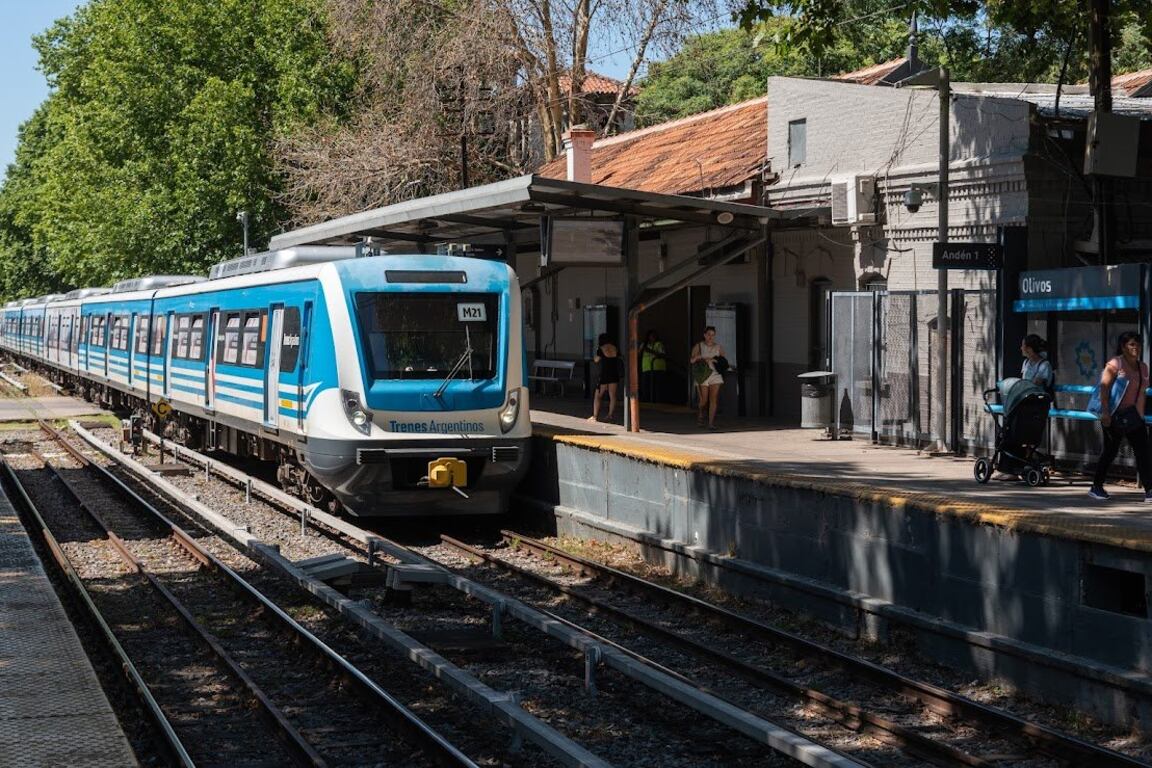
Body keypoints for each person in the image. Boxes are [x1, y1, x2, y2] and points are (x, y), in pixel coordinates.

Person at [1088, 331, 1152, 502]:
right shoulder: (1116, 363)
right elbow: (1104, 388)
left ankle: (1149, 490)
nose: (1135, 348)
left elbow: (1141, 395)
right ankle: (1096, 486)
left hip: (1131, 415)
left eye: (1137, 344)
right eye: (1131, 344)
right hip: (1113, 414)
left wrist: (1140, 417)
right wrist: (1105, 412)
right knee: (1110, 451)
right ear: (1123, 347)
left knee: (1143, 451)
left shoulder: (1143, 367)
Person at [689, 326, 725, 430]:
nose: (711, 337)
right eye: (708, 334)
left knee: (713, 399)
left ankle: (711, 423)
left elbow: (723, 361)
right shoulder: (698, 346)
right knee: (704, 400)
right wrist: (700, 357)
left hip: (715, 374)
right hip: (702, 374)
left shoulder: (718, 347)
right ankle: (701, 413)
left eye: (713, 335)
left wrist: (714, 360)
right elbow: (691, 360)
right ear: (704, 335)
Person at [589, 334, 620, 422]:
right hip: (614, 373)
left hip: (604, 374)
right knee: (612, 395)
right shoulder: (615, 348)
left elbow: (596, 360)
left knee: (598, 396)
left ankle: (595, 416)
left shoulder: (601, 349)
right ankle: (610, 414)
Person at [640, 329, 667, 402]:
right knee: (646, 387)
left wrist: (650, 351)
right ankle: (647, 402)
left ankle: (658, 403)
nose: (653, 337)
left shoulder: (659, 344)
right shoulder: (644, 345)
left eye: (654, 336)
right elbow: (638, 355)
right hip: (646, 369)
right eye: (651, 336)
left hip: (658, 369)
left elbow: (663, 355)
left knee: (657, 388)